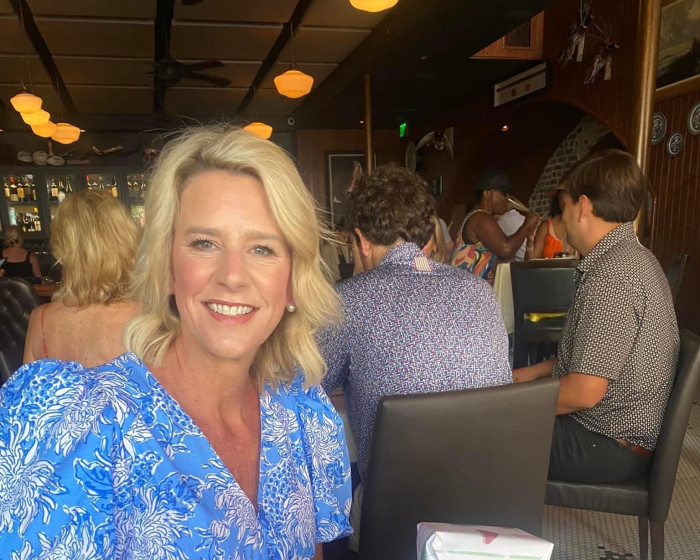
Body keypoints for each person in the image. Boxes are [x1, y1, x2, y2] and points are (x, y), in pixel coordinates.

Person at [0, 126, 352, 559]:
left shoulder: (302, 410)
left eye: (263, 248)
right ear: (167, 267)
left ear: (293, 281)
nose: (233, 275)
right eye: (204, 243)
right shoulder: (84, 427)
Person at [320, 165, 511, 551]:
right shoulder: (480, 292)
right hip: (490, 513)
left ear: (362, 240)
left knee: (329, 498)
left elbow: (305, 391)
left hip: (398, 519)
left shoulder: (348, 300)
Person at [513, 149, 679, 484]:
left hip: (606, 442)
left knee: (478, 429)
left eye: (565, 206)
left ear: (584, 206)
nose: (563, 217)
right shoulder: (634, 257)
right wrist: (526, 375)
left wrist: (505, 403)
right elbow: (591, 360)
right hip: (614, 433)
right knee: (489, 419)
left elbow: (584, 392)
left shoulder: (611, 276)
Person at [23, 190, 141, 366]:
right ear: (127, 239)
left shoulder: (40, 320)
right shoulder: (148, 317)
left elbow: (30, 383)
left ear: (62, 248)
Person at [451, 171, 538, 283]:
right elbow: (506, 249)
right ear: (487, 193)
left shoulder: (482, 217)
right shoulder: (480, 217)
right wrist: (527, 224)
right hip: (465, 288)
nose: (507, 198)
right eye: (504, 193)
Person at [529, 189, 575, 259]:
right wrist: (529, 244)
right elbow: (533, 261)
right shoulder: (546, 226)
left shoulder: (586, 226)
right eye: (561, 194)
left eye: (568, 194)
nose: (564, 199)